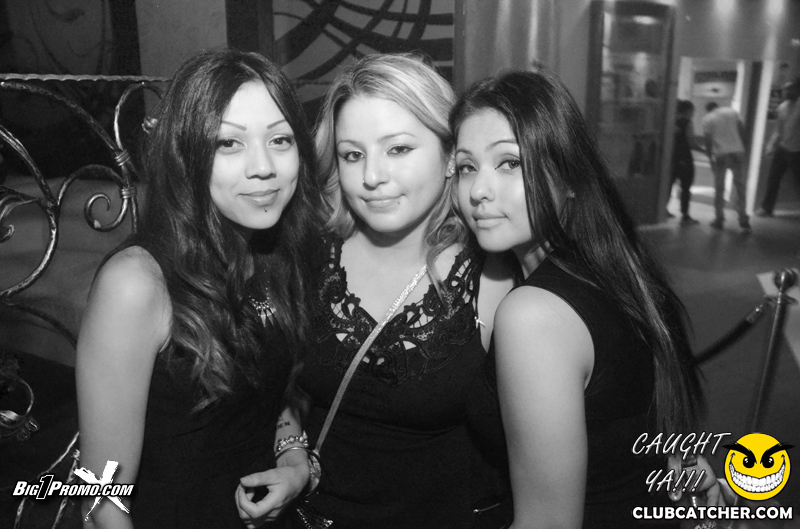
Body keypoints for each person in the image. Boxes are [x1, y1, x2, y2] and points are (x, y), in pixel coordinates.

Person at [75, 48, 323, 528]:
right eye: (228, 143)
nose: (263, 167)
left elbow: (271, 388)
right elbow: (100, 498)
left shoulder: (278, 252)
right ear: (186, 155)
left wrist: (293, 460)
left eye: (280, 139)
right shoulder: (137, 284)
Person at [451, 69, 707, 528]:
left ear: (568, 176)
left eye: (509, 163)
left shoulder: (534, 314)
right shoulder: (619, 269)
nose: (478, 191)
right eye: (467, 167)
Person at [294, 52, 514, 528]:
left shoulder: (495, 276)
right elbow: (272, 388)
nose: (372, 177)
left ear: (450, 155)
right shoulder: (310, 255)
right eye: (353, 155)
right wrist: (289, 450)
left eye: (397, 149)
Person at [701, 102, 751, 231]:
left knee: (719, 188)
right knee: (740, 187)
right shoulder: (731, 112)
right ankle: (743, 218)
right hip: (738, 152)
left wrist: (709, 157)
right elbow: (742, 131)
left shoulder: (707, 118)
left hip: (721, 155)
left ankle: (719, 219)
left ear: (708, 109)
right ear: (717, 106)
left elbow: (707, 139)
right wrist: (742, 148)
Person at [758, 78, 800, 217]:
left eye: (789, 89)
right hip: (783, 148)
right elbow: (778, 130)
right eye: (784, 89)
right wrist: (771, 145)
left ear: (797, 89)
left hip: (797, 151)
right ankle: (767, 208)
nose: (785, 92)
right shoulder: (782, 107)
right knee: (773, 179)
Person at [667, 100, 700, 225]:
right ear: (688, 110)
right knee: (685, 187)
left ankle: (663, 209)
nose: (693, 114)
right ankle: (685, 215)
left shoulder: (671, 121)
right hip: (684, 157)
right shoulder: (687, 123)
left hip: (671, 157)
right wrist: (703, 150)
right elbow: (691, 142)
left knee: (668, 184)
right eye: (692, 111)